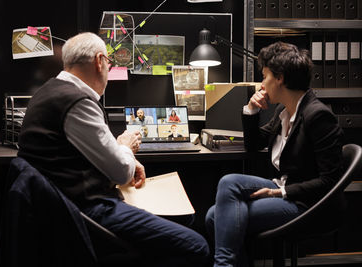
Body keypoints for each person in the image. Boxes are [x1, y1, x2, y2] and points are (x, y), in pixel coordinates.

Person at [17, 32, 209, 267]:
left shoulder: (48, 93)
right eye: (109, 62)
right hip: (88, 212)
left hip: (64, 207)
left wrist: (121, 153)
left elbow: (81, 156)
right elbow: (120, 172)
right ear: (99, 61)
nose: (108, 69)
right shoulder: (77, 103)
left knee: (184, 217)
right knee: (196, 246)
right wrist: (125, 147)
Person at [205, 42, 344, 267]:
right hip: (285, 189)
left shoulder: (318, 116)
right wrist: (251, 110)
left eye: (265, 76)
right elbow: (254, 145)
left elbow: (330, 181)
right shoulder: (283, 111)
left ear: (279, 78)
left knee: (214, 217)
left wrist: (279, 192)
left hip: (309, 204)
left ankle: (223, 265)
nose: (262, 84)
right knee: (228, 183)